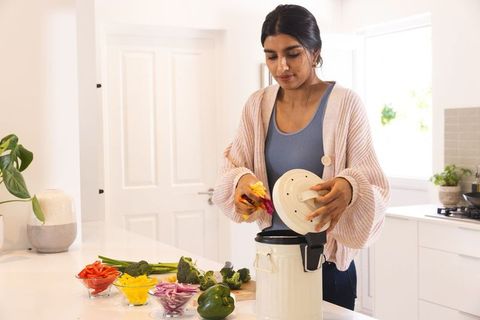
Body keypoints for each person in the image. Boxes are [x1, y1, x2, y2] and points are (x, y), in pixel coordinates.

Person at [212, 4, 390, 311]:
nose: (281, 66)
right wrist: (241, 180)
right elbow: (231, 166)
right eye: (271, 55)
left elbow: (373, 183)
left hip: (328, 267)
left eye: (292, 53)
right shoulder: (256, 106)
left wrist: (350, 188)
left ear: (314, 51)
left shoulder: (346, 104)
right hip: (274, 261)